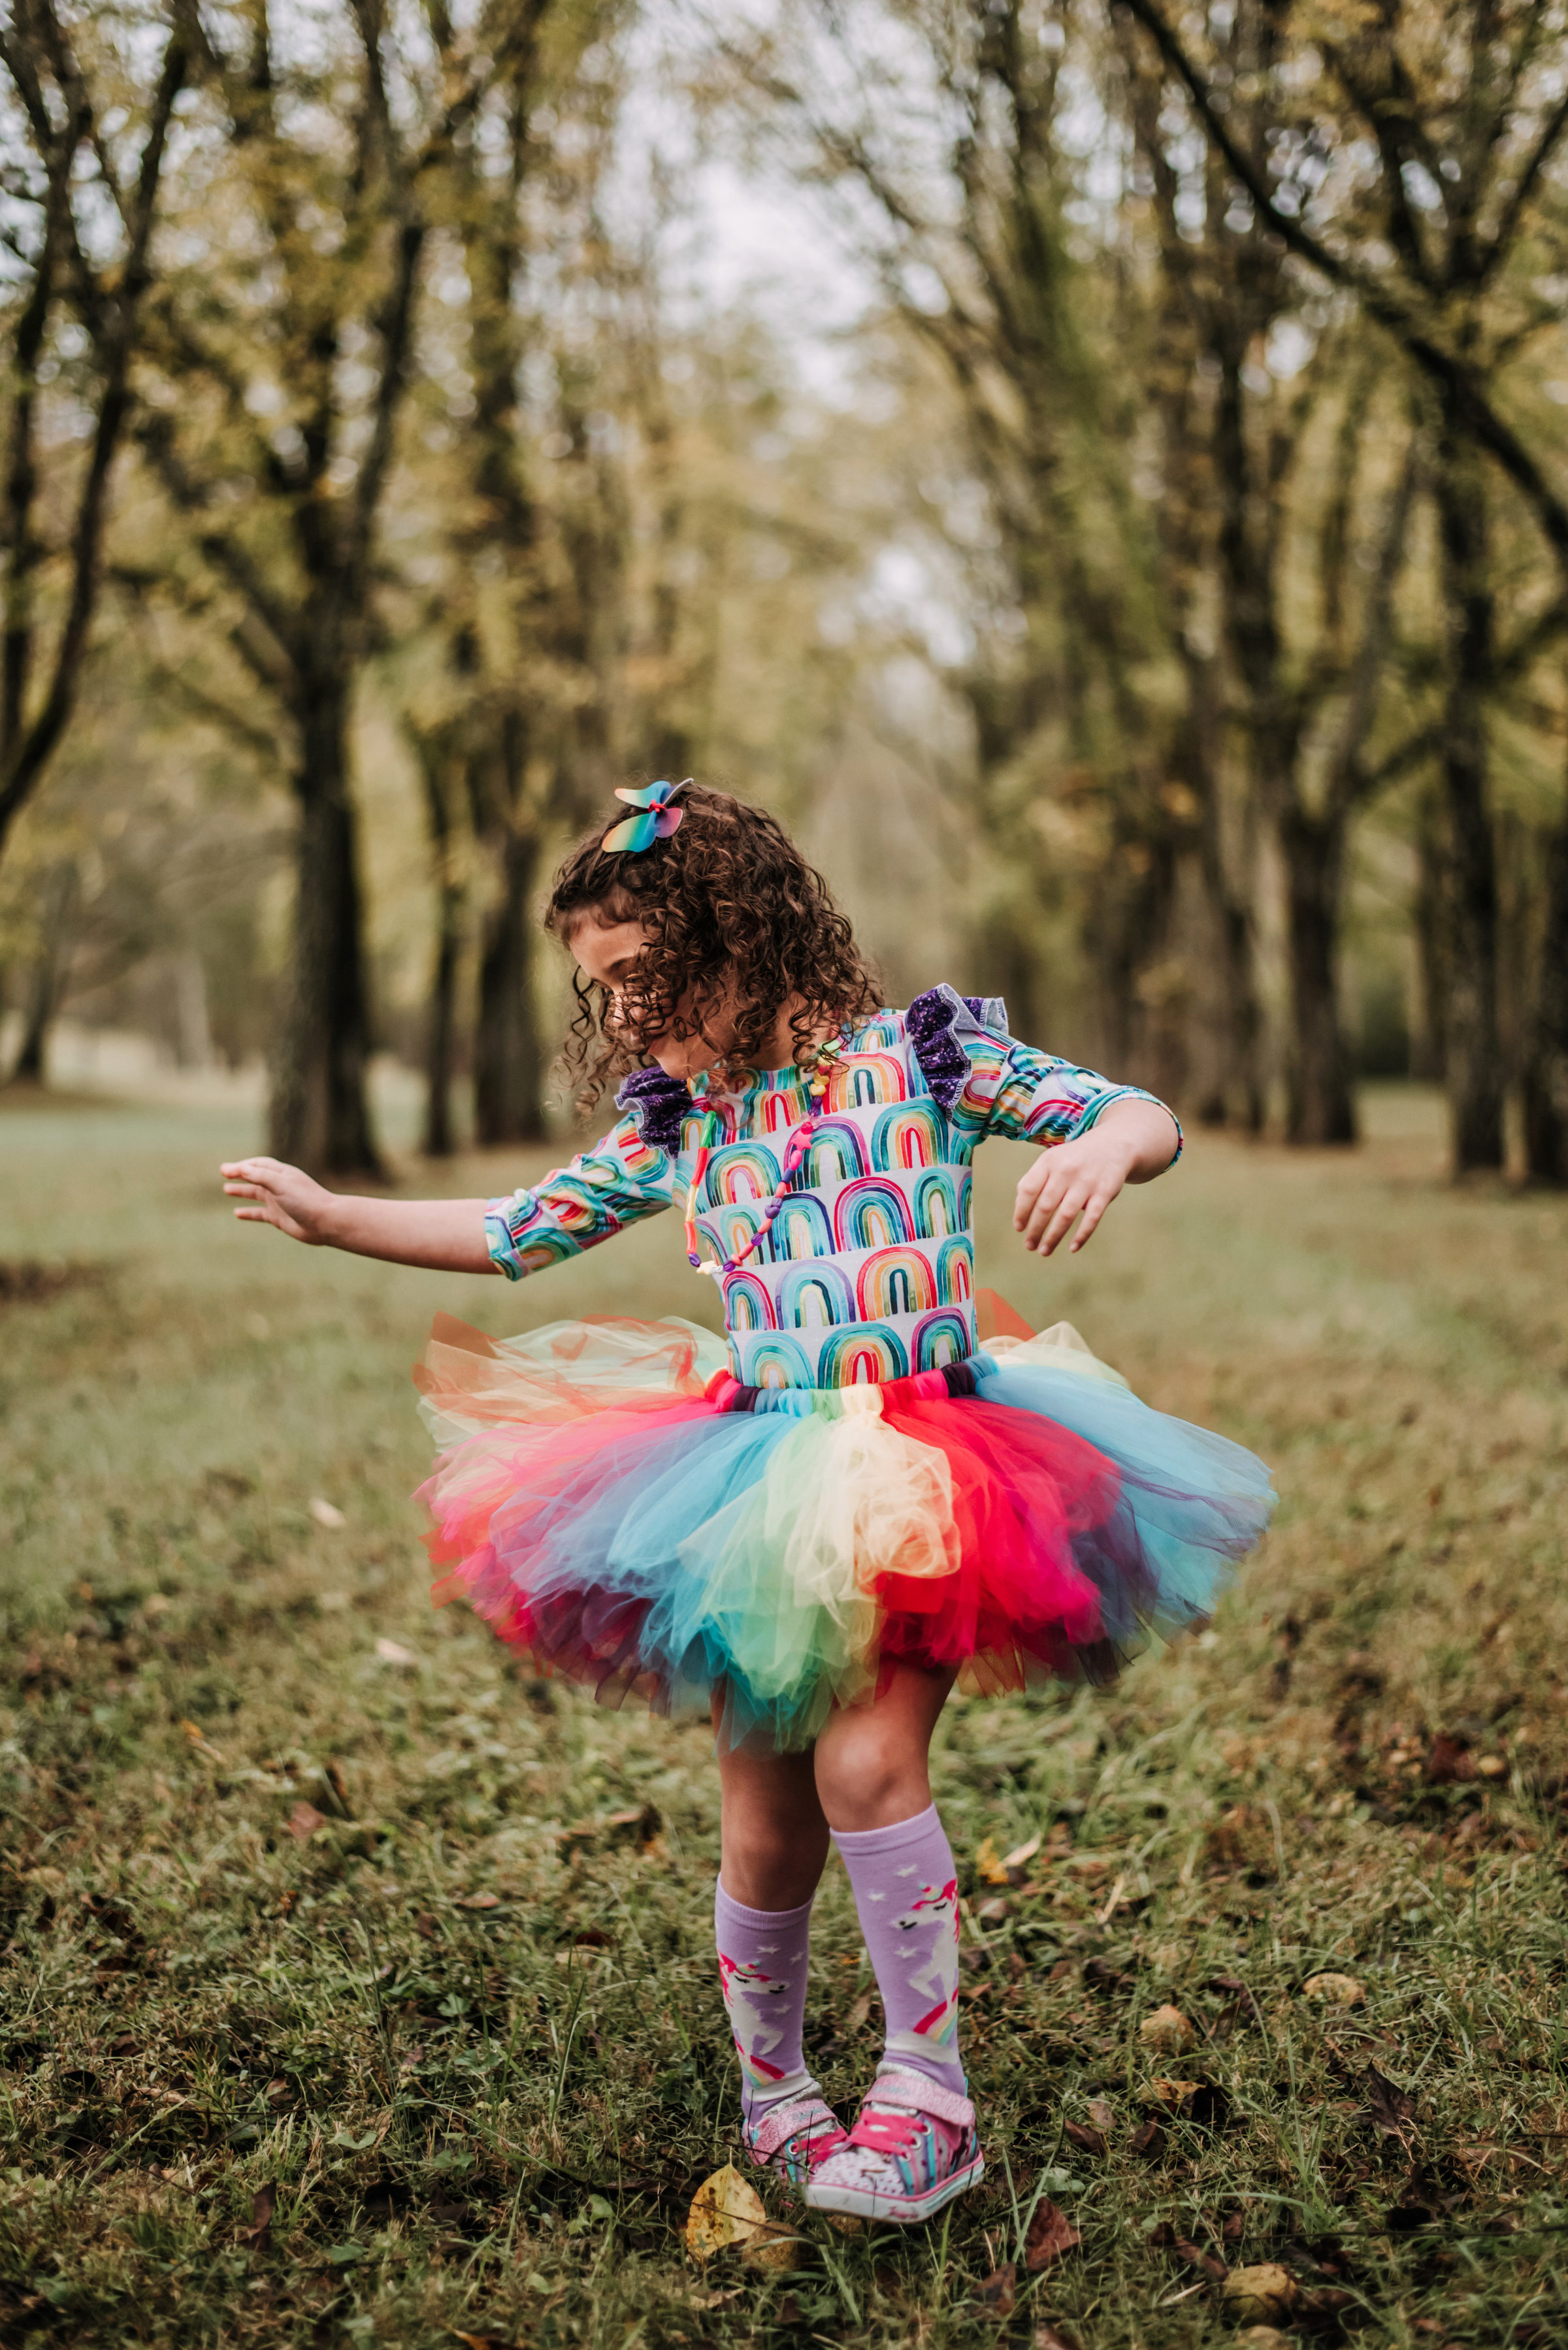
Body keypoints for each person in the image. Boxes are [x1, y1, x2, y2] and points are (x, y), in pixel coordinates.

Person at [221, 779, 1274, 2226]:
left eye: (647, 979)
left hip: (924, 1480)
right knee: (765, 1816)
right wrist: (335, 1215)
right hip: (759, 1493)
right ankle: (775, 2089)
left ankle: (930, 2098)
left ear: (742, 935)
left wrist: (1101, 1146)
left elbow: (1127, 1111)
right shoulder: (686, 1122)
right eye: (606, 995)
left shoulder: (925, 1058)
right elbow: (518, 1229)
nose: (632, 1019)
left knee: (864, 1768)